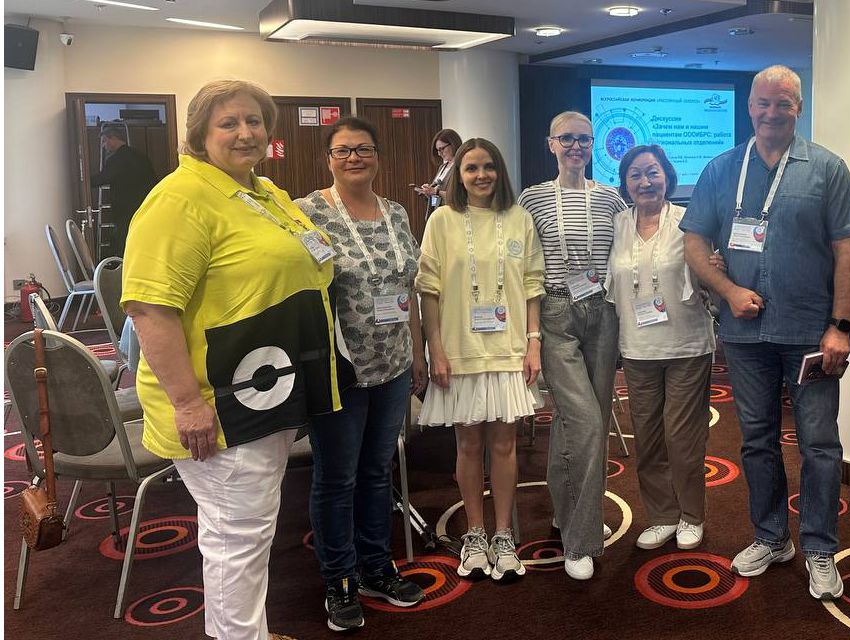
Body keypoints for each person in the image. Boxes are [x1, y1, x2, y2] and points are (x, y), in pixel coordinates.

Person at [121, 79, 340, 640]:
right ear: (199, 135)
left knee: (251, 531)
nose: (246, 133)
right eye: (228, 123)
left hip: (263, 387)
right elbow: (150, 310)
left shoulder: (262, 191)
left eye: (254, 121)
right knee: (236, 538)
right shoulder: (178, 200)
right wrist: (188, 404)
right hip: (218, 401)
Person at [682, 64, 850, 600]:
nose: (772, 112)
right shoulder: (722, 169)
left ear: (798, 108)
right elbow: (694, 242)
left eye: (783, 103)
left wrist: (840, 326)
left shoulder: (827, 168)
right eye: (763, 102)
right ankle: (770, 536)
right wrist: (728, 290)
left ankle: (820, 546)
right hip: (745, 336)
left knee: (819, 444)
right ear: (749, 106)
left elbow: (846, 252)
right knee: (757, 441)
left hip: (811, 334)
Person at [294, 116, 427, 632]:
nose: (354, 157)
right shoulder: (308, 212)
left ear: (377, 156)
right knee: (336, 477)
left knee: (377, 471)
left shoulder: (396, 212)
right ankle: (340, 579)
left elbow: (408, 289)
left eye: (364, 149)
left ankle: (376, 566)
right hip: (340, 371)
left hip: (393, 364)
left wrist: (417, 352)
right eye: (343, 150)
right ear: (328, 158)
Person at [417, 137, 545, 583]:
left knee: (505, 445)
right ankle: (475, 534)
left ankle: (504, 535)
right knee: (468, 444)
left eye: (488, 166)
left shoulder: (519, 218)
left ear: (500, 171)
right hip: (459, 350)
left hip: (509, 349)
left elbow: (532, 285)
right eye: (471, 168)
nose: (481, 175)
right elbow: (428, 289)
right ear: (458, 174)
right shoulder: (442, 220)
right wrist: (435, 348)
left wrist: (533, 342)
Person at [517, 111, 628, 580]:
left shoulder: (611, 198)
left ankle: (569, 515)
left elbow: (626, 256)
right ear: (551, 144)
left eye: (584, 139)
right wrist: (530, 334)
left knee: (583, 422)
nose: (576, 146)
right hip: (556, 312)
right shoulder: (531, 199)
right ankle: (580, 543)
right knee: (584, 422)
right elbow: (523, 266)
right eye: (567, 139)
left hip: (602, 313)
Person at [605, 144, 716, 552]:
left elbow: (711, 269)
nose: (645, 182)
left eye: (652, 172)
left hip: (687, 345)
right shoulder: (617, 224)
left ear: (667, 176)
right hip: (637, 349)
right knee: (649, 438)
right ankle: (662, 515)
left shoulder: (690, 221)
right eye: (635, 174)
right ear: (625, 183)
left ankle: (691, 515)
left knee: (683, 438)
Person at [91, 122, 158, 257]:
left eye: (104, 141)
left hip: (124, 210)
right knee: (141, 244)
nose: (104, 146)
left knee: (123, 246)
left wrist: (85, 181)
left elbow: (102, 178)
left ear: (113, 138)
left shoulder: (116, 160)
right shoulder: (141, 156)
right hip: (145, 207)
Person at [414, 128, 462, 207]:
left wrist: (436, 192)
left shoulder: (461, 166)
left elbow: (460, 197)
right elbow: (435, 197)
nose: (439, 154)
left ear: (453, 144)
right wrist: (427, 191)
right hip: (438, 211)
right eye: (438, 150)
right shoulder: (442, 167)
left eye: (442, 149)